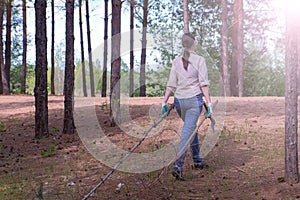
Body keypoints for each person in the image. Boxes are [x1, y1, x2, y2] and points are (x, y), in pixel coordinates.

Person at [161, 32, 212, 181]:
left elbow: (171, 84)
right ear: (194, 43)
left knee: (190, 128)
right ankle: (178, 166)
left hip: (178, 102)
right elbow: (204, 84)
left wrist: (164, 103)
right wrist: (209, 104)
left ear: (183, 44)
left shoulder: (176, 61)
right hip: (193, 101)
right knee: (187, 132)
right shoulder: (200, 60)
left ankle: (197, 159)